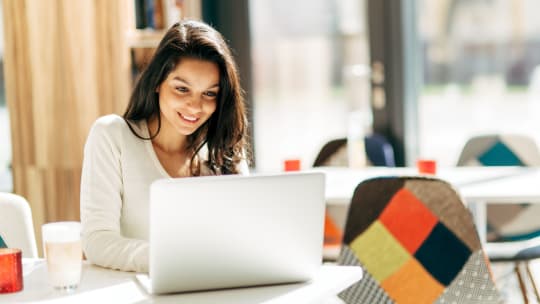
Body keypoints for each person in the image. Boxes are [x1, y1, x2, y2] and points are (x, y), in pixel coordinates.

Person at [80, 20, 250, 272]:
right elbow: (97, 241)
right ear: (157, 82)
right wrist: (169, 260)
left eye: (210, 93)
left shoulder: (223, 150)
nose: (195, 106)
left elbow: (243, 238)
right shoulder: (112, 136)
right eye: (182, 89)